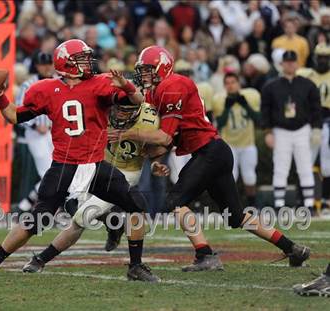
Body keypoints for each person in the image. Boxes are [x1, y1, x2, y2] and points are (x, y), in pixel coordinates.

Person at [0, 39, 154, 285]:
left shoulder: (98, 83)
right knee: (36, 222)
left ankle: (135, 266)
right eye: (82, 59)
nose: (88, 63)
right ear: (67, 64)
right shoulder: (46, 90)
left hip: (95, 165)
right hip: (65, 166)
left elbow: (139, 100)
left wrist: (127, 86)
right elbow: (14, 115)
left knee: (137, 204)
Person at [110, 45, 310, 272]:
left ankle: (205, 255)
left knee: (175, 203)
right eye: (142, 71)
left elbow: (164, 136)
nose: (144, 75)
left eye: (147, 70)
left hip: (210, 152)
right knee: (236, 216)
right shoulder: (158, 90)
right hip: (214, 152)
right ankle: (292, 248)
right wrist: (153, 158)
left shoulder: (173, 84)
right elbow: (165, 137)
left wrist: (127, 134)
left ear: (162, 67)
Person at [22, 100, 164, 283]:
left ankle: (41, 259)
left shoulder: (148, 116)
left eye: (126, 110)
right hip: (98, 168)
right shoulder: (99, 108)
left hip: (126, 172)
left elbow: (162, 141)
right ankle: (114, 223)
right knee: (71, 204)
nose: (121, 114)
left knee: (82, 217)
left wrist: (131, 137)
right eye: (118, 108)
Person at [261, 50, 322, 212]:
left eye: (292, 61)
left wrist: (317, 128)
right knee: (281, 167)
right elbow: (265, 110)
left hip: (303, 129)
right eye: (287, 62)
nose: (290, 64)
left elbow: (316, 108)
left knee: (305, 166)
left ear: (297, 63)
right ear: (281, 64)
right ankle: (279, 205)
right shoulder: (271, 86)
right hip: (280, 130)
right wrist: (267, 131)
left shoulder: (307, 84)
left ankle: (309, 204)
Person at [212, 72, 261, 207]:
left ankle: (252, 206)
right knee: (230, 178)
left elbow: (259, 119)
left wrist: (245, 105)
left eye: (233, 82)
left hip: (247, 144)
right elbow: (219, 124)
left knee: (250, 177)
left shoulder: (249, 97)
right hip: (229, 145)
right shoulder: (220, 100)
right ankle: (232, 206)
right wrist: (227, 108)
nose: (230, 86)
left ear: (239, 83)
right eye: (227, 83)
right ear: (224, 86)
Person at [15, 52, 54, 212]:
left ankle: (26, 205)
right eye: (42, 64)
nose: (46, 67)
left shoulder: (58, 81)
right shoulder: (27, 85)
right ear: (36, 66)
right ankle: (37, 207)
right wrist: (34, 125)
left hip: (54, 133)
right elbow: (18, 112)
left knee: (57, 173)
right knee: (48, 174)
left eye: (48, 64)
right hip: (36, 134)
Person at [297, 44, 330, 212]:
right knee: (305, 162)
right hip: (310, 123)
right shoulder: (307, 75)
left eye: (326, 57)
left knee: (326, 165)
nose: (323, 60)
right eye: (320, 57)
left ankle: (325, 200)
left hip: (328, 122)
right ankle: (304, 200)